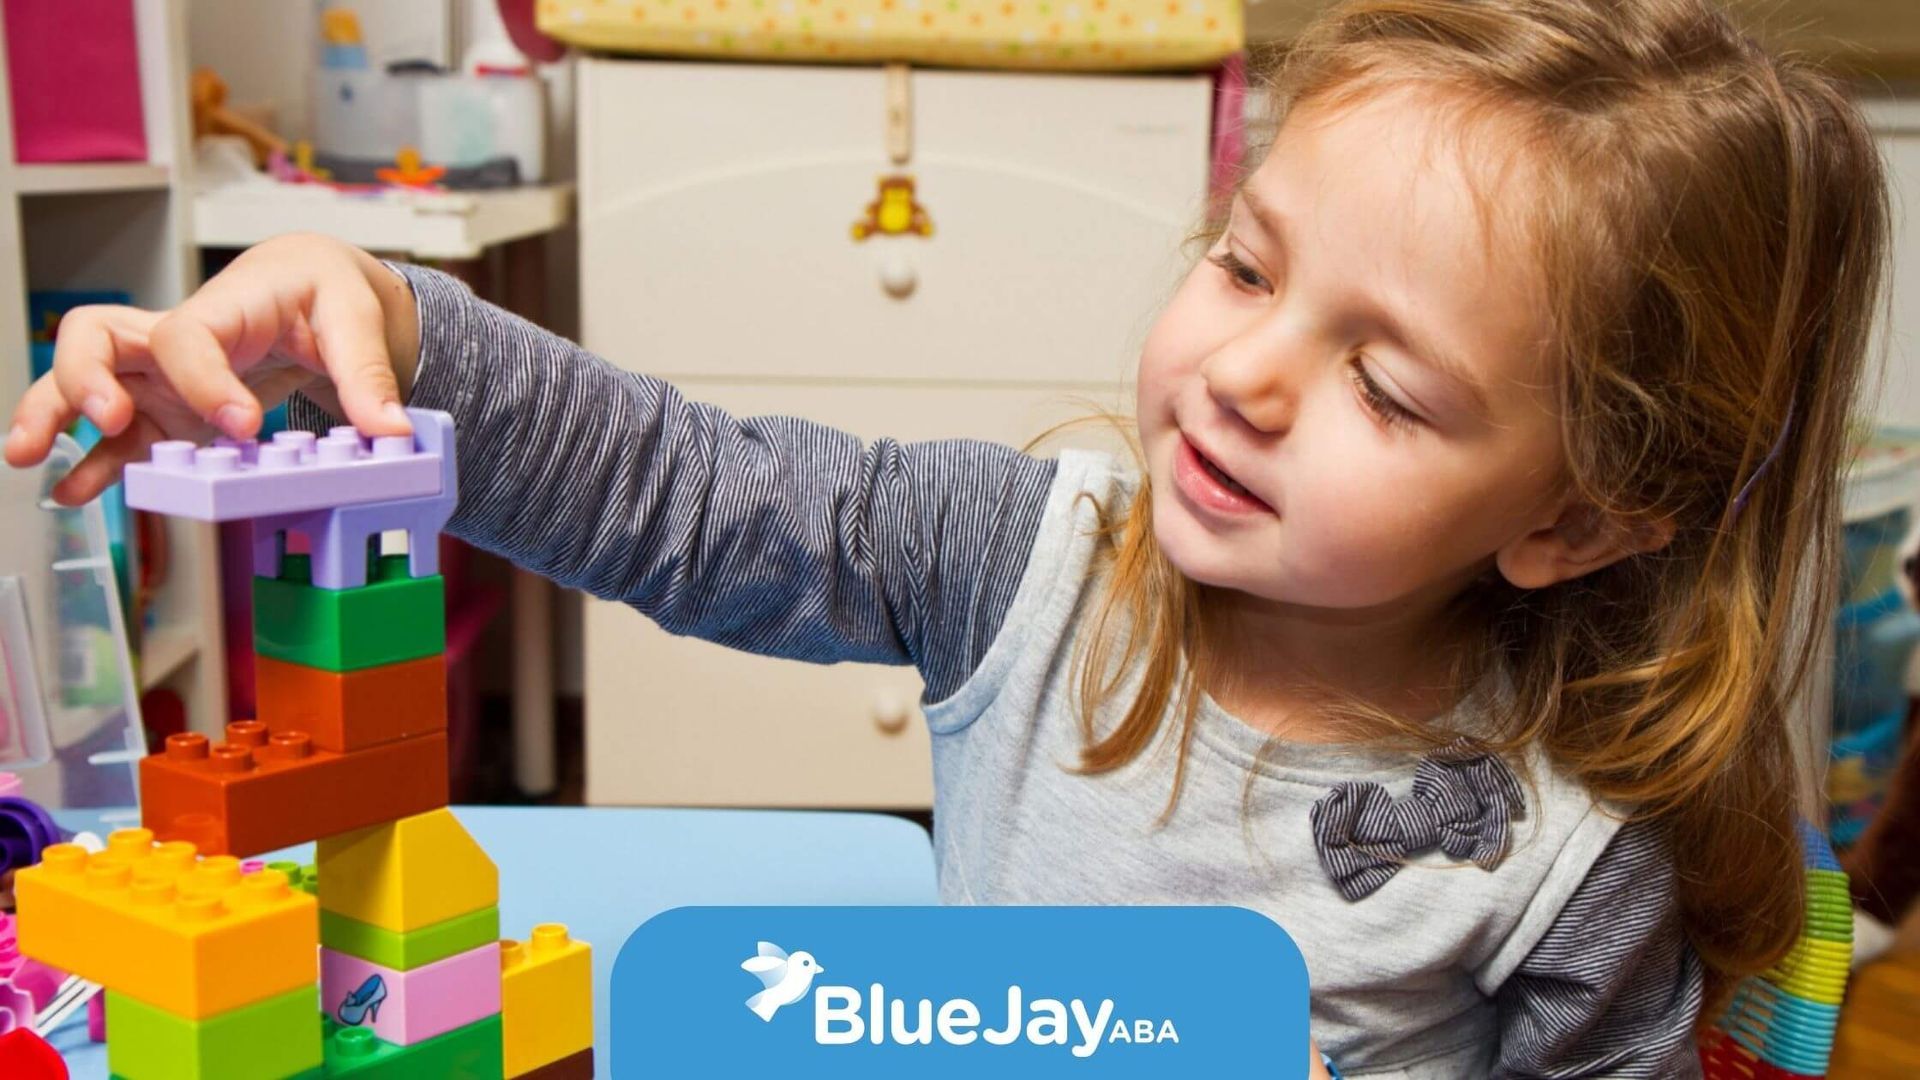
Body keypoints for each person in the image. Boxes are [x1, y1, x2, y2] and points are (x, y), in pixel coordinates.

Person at [5, 0, 1890, 1074]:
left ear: (1569, 517)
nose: (1240, 377)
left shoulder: (1580, 849)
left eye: (1387, 390)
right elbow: (676, 486)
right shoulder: (1030, 558)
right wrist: (381, 325)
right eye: (1244, 264)